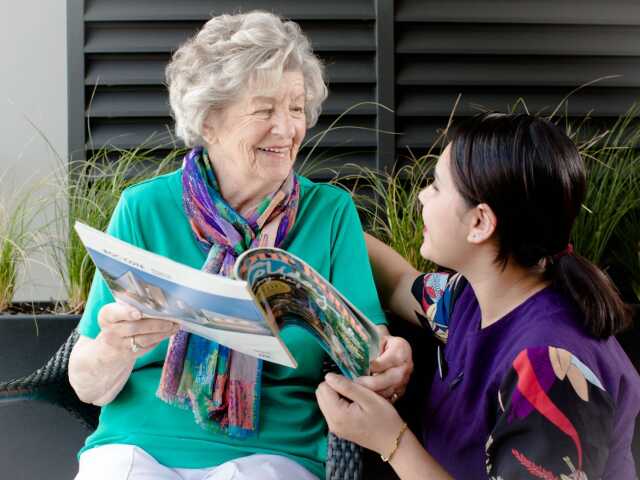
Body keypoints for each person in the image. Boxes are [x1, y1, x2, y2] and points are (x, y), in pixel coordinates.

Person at [68, 11, 412, 480]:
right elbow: (87, 385)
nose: (287, 129)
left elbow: (368, 346)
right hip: (137, 446)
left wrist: (387, 359)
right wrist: (114, 347)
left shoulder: (329, 213)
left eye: (296, 108)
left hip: (276, 452)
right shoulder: (143, 208)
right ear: (210, 121)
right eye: (265, 109)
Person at [316, 113, 640, 479]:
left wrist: (389, 437)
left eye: (436, 186)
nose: (422, 195)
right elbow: (399, 283)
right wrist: (323, 221)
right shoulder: (468, 299)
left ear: (480, 223)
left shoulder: (551, 367)